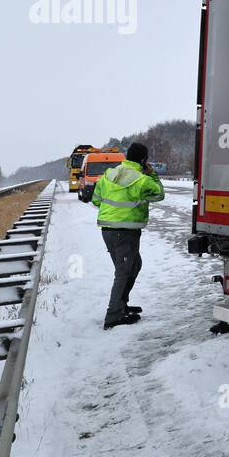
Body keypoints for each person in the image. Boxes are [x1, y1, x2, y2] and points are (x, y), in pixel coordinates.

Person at [90, 141, 164, 329]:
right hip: (125, 232)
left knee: (134, 265)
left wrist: (112, 211)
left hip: (108, 230)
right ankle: (113, 316)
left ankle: (121, 305)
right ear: (143, 160)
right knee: (123, 272)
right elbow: (159, 194)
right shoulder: (141, 179)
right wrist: (152, 174)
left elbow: (96, 200)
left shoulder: (110, 174)